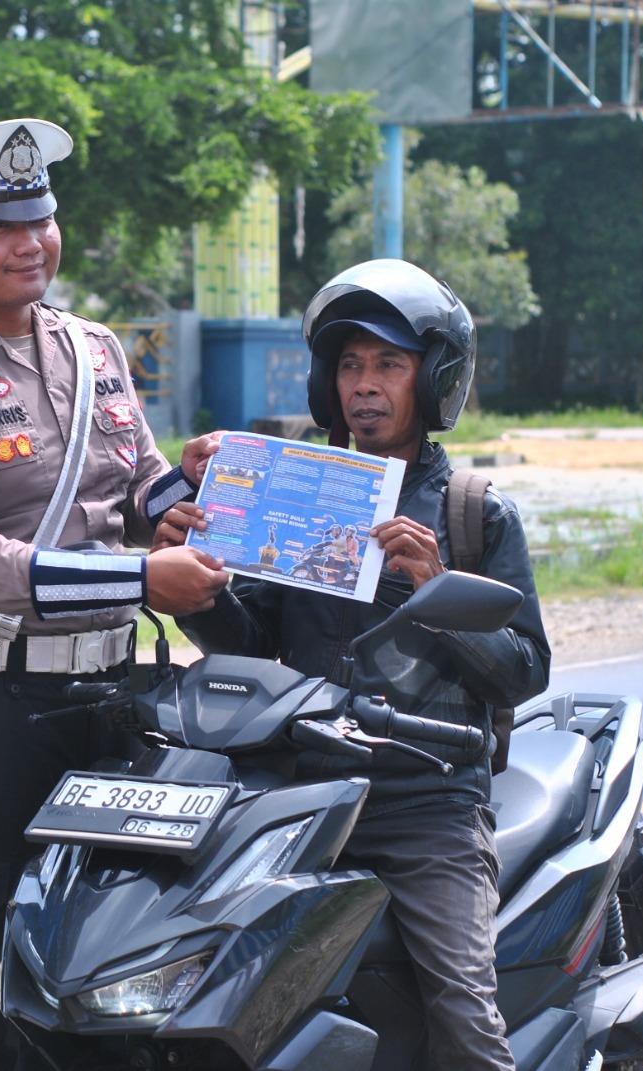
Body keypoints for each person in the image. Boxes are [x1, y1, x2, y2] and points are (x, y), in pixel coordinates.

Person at [0, 117, 231, 1071]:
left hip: (109, 707)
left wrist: (201, 492)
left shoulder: (92, 348)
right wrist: (145, 575)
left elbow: (139, 488)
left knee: (111, 974)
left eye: (42, 219)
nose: (30, 242)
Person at [155, 259, 550, 1071]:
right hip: (293, 790)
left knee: (464, 1016)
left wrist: (435, 587)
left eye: (389, 365)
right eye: (350, 365)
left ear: (434, 379)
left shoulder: (474, 513)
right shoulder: (295, 492)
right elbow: (250, 643)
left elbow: (524, 669)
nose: (364, 386)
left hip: (425, 804)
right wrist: (191, 584)